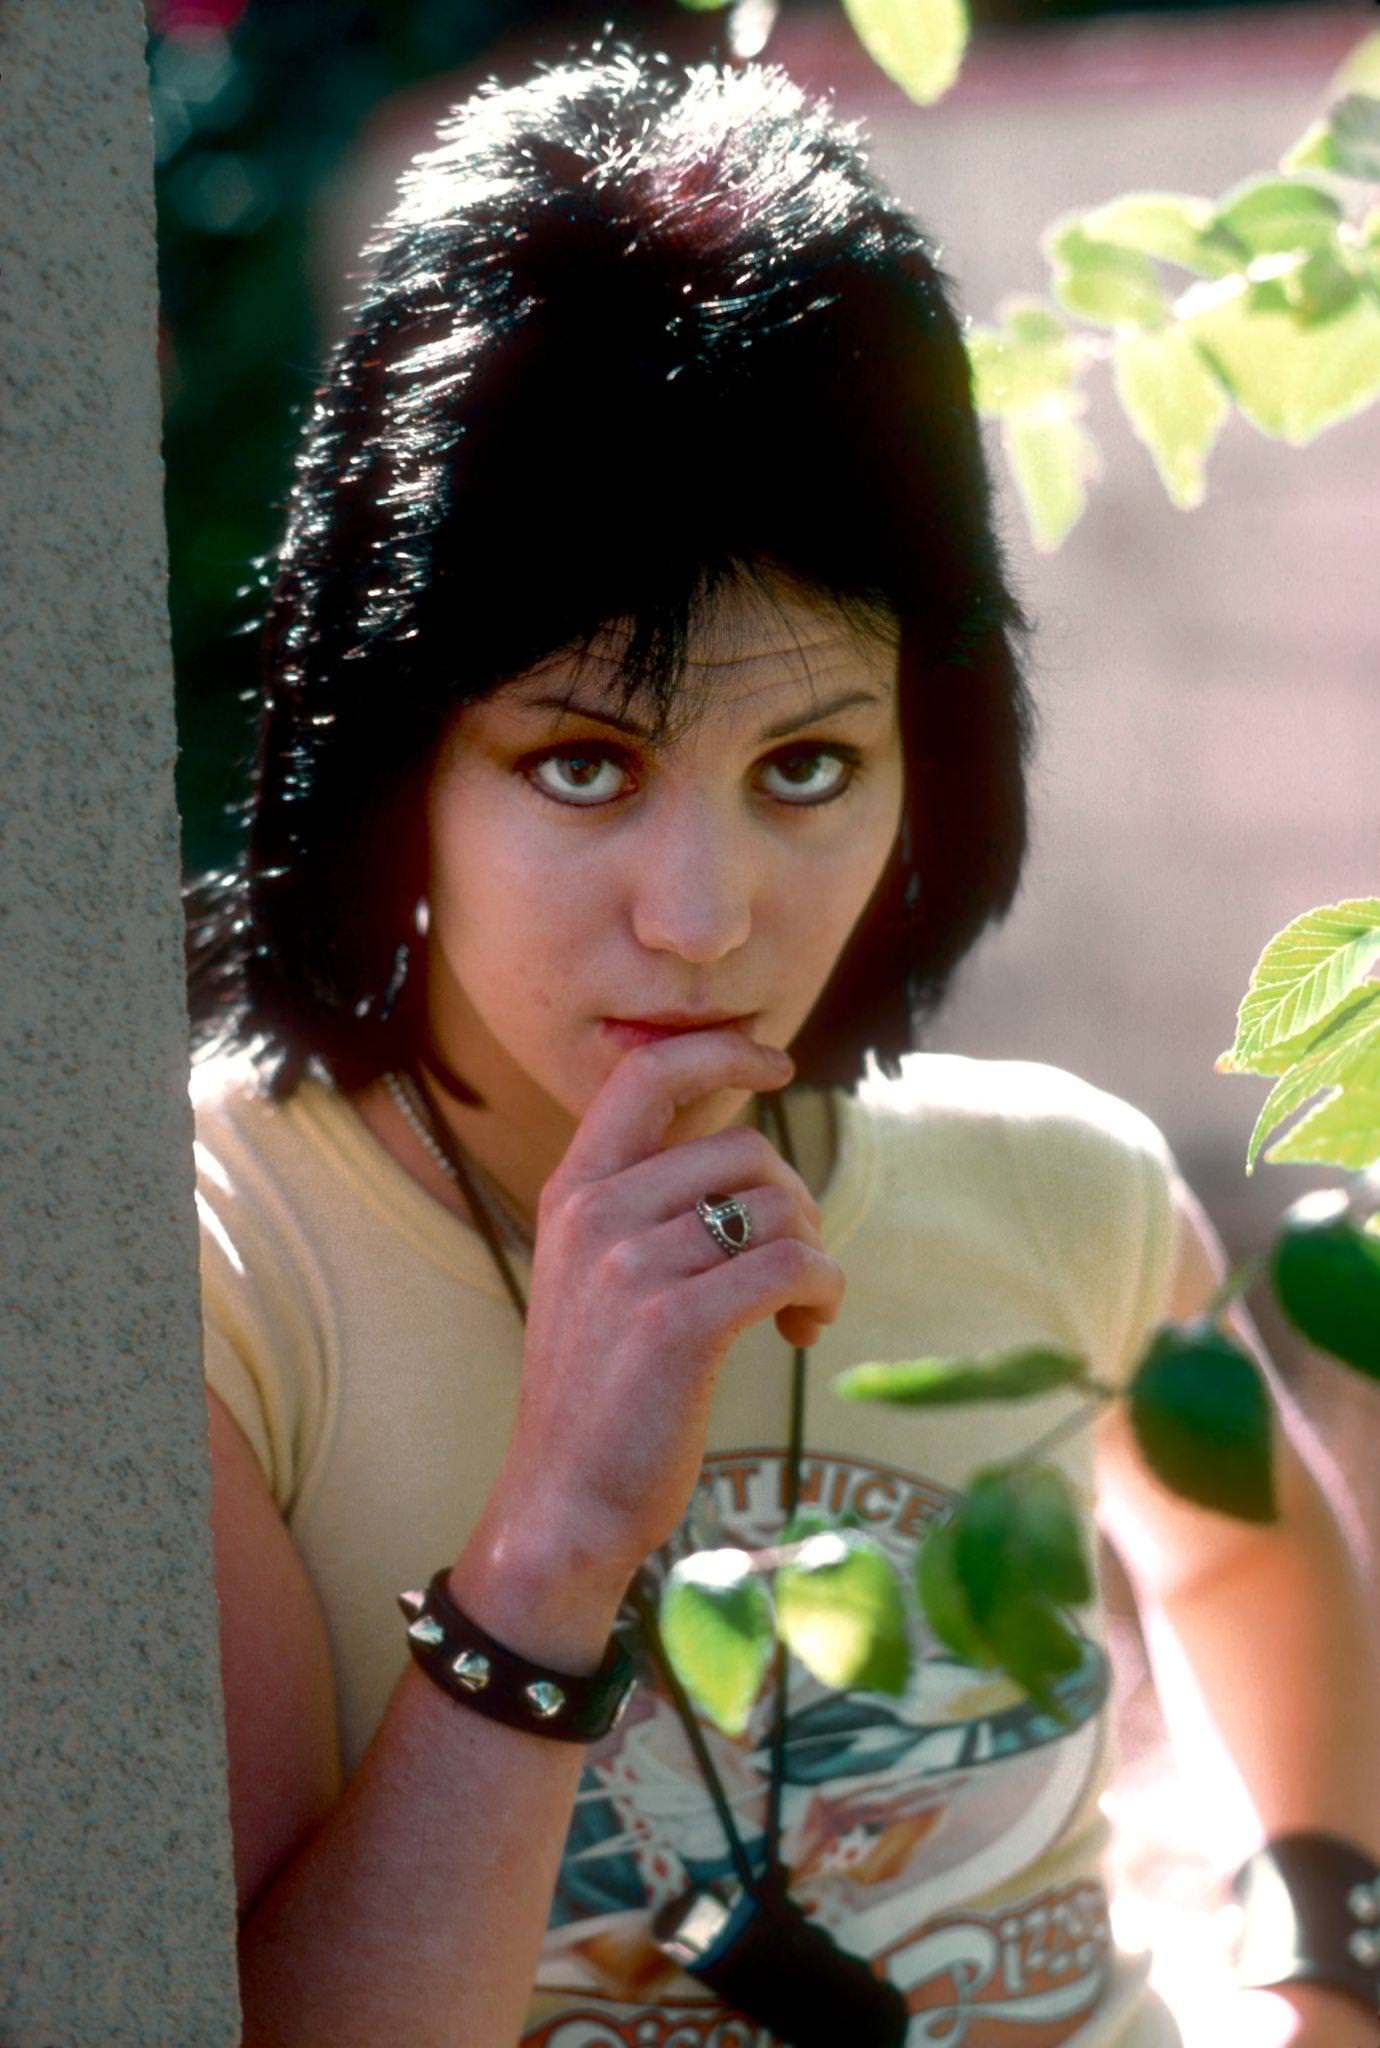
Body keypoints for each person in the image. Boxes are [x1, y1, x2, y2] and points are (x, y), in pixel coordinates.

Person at [188, 41, 1380, 2048]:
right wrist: (556, 1538)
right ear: (388, 747)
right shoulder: (214, 1273)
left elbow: (1266, 1570)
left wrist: (1325, 1967)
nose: (706, 911)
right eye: (582, 763)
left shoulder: (1063, 1185)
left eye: (810, 761)